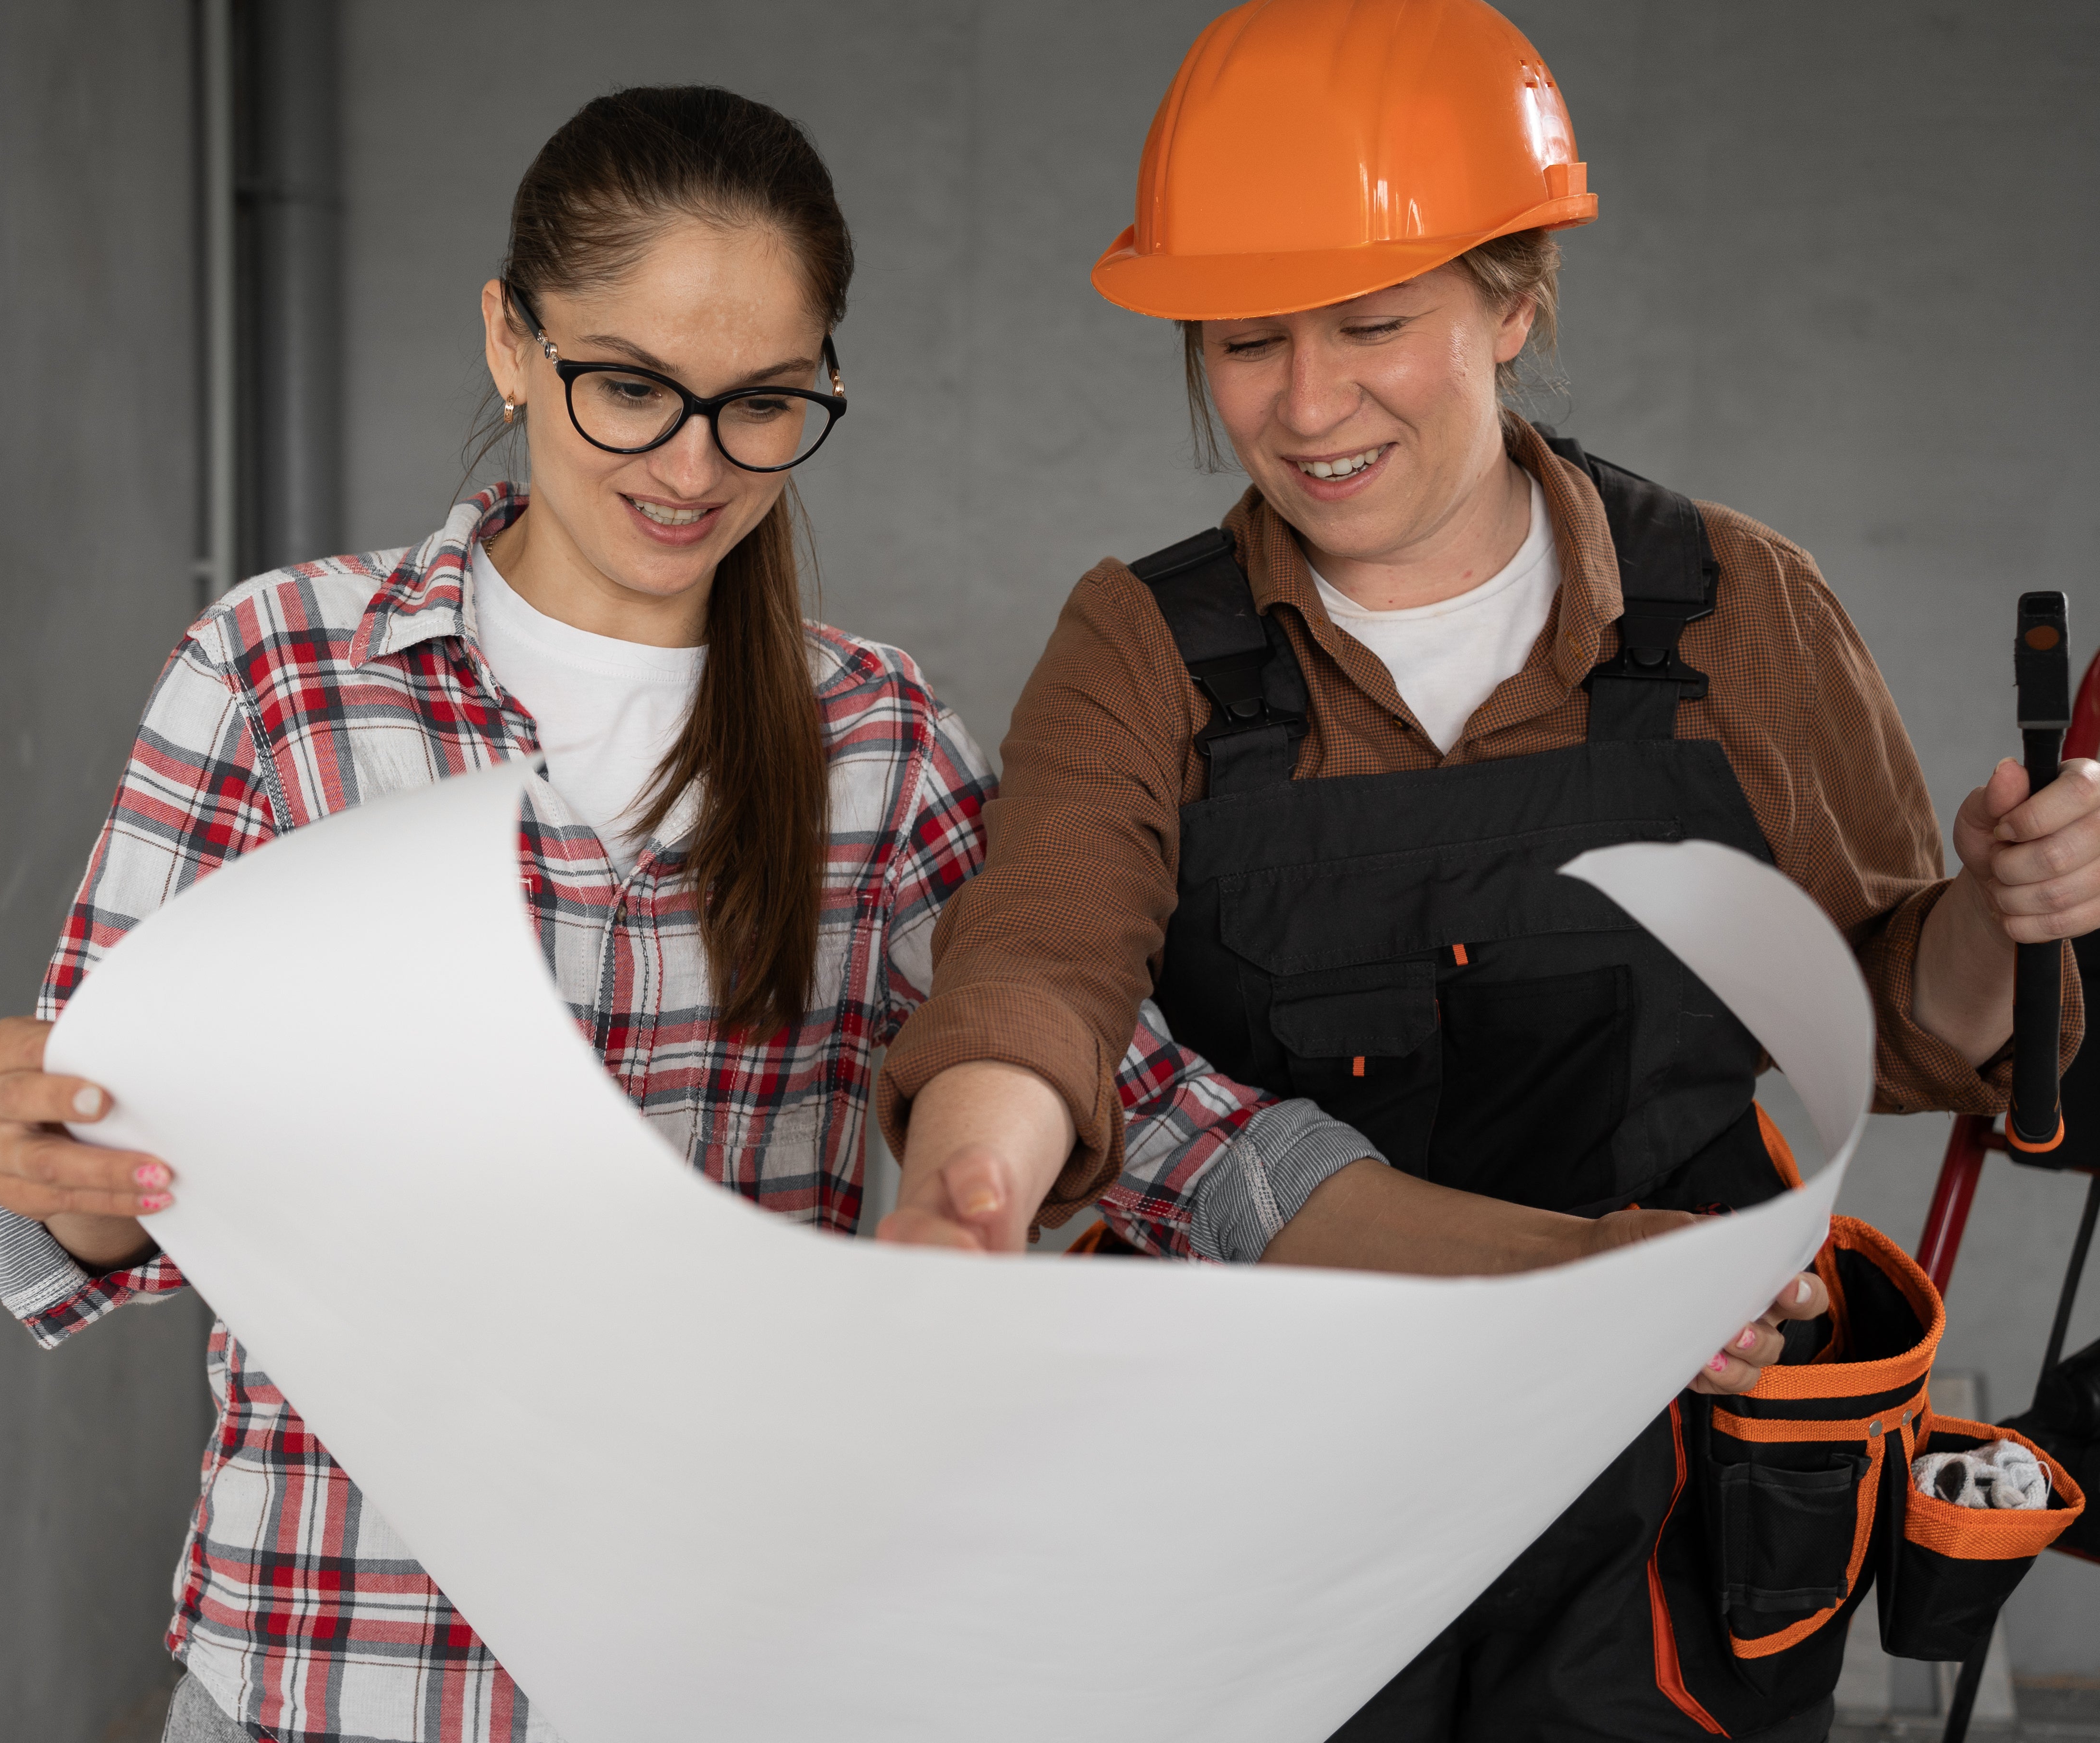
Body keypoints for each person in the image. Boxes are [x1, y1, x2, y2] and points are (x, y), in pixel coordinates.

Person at [0, 84, 1411, 1743]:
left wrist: (1567, 1275)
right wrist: (61, 1170)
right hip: (324, 1677)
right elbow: (93, 1205)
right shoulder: (280, 672)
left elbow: (1155, 1125)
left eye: (763, 404)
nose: (693, 467)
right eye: (629, 388)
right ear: (511, 342)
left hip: (727, 1682)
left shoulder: (878, 741)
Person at [878, 1, 2100, 1738]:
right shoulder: (1144, 643)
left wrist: (1998, 912)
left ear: (1515, 302)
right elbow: (1041, 968)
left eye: (1375, 324)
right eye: (1244, 340)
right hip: (1265, 1487)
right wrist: (969, 1193)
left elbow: (1900, 1023)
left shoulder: (1733, 611)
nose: (1307, 407)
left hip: (1666, 1473)